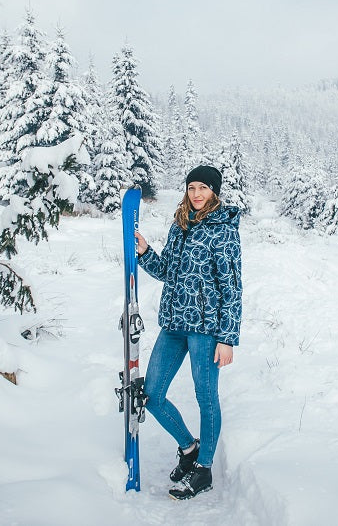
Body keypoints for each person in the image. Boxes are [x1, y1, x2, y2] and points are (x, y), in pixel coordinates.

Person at [133, 164, 242, 500]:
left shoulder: (223, 230)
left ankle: (204, 469)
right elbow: (168, 270)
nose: (196, 194)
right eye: (192, 187)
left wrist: (227, 338)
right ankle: (189, 447)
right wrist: (145, 252)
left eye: (203, 188)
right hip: (174, 325)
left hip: (206, 330)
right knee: (152, 393)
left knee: (205, 397)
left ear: (214, 192)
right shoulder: (180, 223)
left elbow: (232, 287)